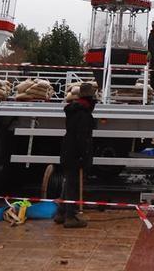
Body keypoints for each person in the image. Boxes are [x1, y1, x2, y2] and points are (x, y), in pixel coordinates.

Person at [55, 80, 97, 228]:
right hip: (75, 153)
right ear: (90, 99)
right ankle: (70, 217)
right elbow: (82, 138)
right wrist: (83, 156)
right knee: (72, 184)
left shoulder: (74, 110)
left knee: (68, 183)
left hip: (67, 150)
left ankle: (61, 212)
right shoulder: (83, 114)